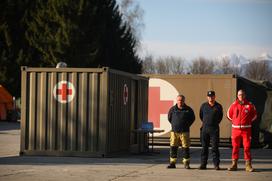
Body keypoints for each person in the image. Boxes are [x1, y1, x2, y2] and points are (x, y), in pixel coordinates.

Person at [227, 89, 257, 172]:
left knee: (247, 147)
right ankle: (234, 164)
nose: (241, 96)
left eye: (242, 95)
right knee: (235, 147)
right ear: (237, 96)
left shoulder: (250, 105)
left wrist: (248, 122)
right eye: (239, 95)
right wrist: (234, 122)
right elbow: (228, 115)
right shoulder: (233, 105)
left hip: (246, 130)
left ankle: (248, 165)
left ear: (245, 95)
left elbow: (255, 115)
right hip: (235, 130)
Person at [167, 95, 195, 169]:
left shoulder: (188, 110)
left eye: (181, 100)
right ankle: (172, 163)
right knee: (173, 147)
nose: (180, 102)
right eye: (179, 100)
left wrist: (186, 125)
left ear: (184, 101)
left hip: (185, 132)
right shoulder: (172, 109)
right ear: (177, 101)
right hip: (174, 132)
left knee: (185, 148)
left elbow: (192, 119)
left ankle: (186, 163)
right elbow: (169, 118)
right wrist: (175, 125)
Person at [199, 91, 223, 170]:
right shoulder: (203, 106)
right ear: (207, 97)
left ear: (215, 97)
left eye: (212, 96)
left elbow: (220, 117)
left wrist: (214, 123)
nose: (210, 98)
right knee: (204, 148)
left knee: (215, 148)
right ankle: (203, 164)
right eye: (209, 96)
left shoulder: (218, 106)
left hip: (214, 129)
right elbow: (201, 116)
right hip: (205, 129)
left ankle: (216, 165)